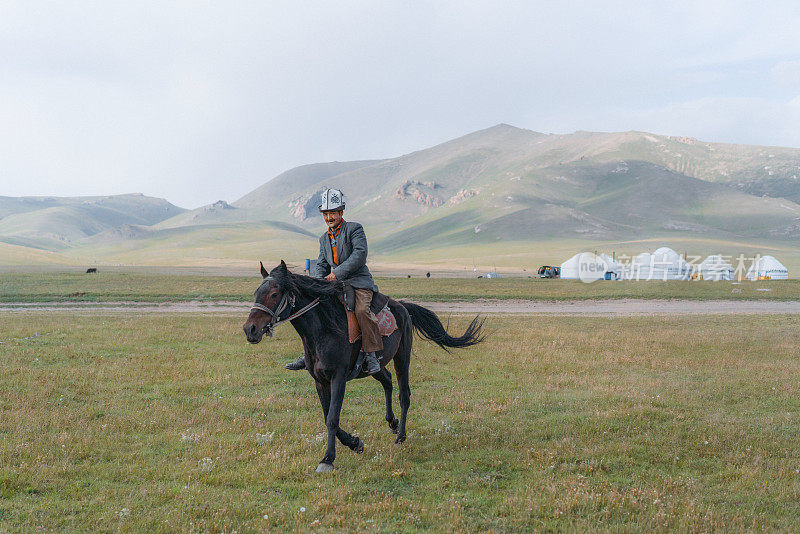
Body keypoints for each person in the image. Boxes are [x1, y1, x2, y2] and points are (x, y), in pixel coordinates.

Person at [285, 188, 382, 374]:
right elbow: (321, 264)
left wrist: (336, 273)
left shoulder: (354, 229)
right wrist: (317, 283)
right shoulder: (323, 239)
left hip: (359, 282)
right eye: (326, 213)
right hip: (335, 285)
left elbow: (359, 255)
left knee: (362, 310)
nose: (329, 217)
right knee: (315, 312)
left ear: (341, 213)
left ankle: (371, 355)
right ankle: (309, 356)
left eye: (333, 213)